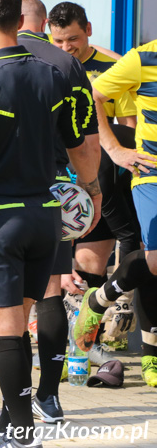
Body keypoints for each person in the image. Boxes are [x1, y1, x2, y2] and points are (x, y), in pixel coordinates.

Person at [0, 0, 99, 448]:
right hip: (48, 214)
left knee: (7, 328)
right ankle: (15, 418)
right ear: (23, 22)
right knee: (26, 317)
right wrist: (88, 195)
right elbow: (81, 146)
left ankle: (18, 428)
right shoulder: (53, 75)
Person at [75, 37, 157, 388]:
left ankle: (152, 353)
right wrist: (113, 148)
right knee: (154, 260)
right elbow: (92, 96)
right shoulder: (142, 58)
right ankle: (99, 300)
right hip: (151, 174)